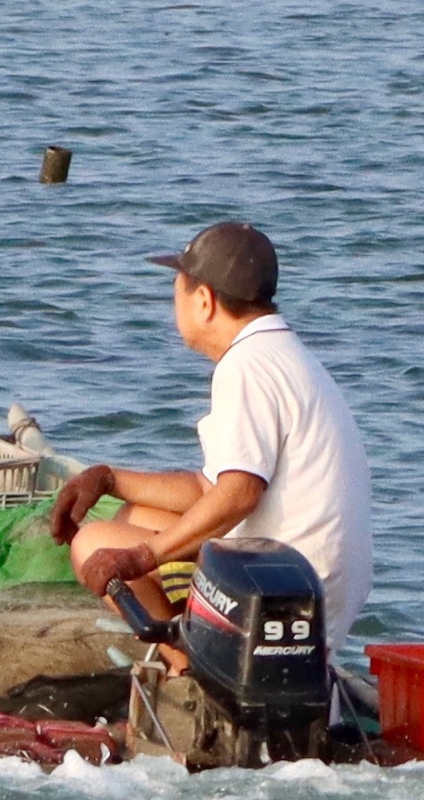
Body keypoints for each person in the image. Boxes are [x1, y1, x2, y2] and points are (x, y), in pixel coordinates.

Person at [54, 220, 370, 639]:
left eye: (177, 292)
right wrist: (108, 479)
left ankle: (184, 667)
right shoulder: (280, 353)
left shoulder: (246, 366)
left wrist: (142, 557)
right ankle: (192, 640)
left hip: (287, 593)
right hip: (312, 579)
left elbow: (238, 494)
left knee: (91, 542)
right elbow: (211, 490)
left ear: (203, 301)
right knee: (130, 514)